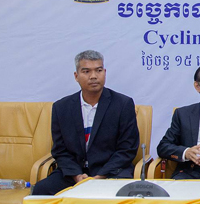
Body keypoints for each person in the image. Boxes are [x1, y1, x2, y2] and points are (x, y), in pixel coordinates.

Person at [32, 50, 139, 195]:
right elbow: (60, 150)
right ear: (76, 76)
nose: (93, 76)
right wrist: (77, 176)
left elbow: (127, 149)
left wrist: (100, 176)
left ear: (105, 72)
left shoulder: (123, 104)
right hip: (74, 173)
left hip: (111, 172)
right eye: (86, 71)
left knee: (118, 193)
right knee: (41, 190)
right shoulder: (61, 107)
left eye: (98, 70)